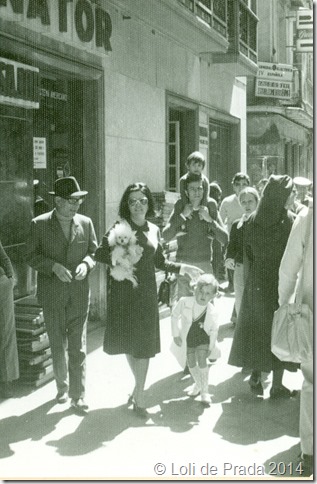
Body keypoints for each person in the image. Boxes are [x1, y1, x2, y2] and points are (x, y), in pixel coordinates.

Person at [95, 182, 202, 419]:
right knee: (130, 343)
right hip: (124, 293)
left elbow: (160, 261)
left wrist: (183, 267)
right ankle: (139, 389)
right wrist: (123, 255)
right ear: (126, 204)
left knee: (143, 345)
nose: (138, 205)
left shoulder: (154, 229)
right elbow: (99, 253)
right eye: (132, 201)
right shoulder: (120, 227)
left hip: (146, 295)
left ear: (148, 203)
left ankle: (139, 393)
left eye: (142, 200)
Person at [25, 176, 97, 415]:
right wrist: (53, 267)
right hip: (52, 295)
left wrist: (86, 265)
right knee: (58, 344)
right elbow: (30, 256)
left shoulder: (85, 223)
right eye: (70, 201)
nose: (76, 206)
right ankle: (62, 387)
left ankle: (78, 395)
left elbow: (93, 252)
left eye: (78, 201)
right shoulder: (39, 224)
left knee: (78, 347)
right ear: (57, 201)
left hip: (78, 294)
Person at [228, 175, 298, 397]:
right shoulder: (290, 221)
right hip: (281, 283)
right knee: (278, 330)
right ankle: (277, 384)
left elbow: (247, 253)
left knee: (256, 330)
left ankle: (256, 376)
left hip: (256, 282)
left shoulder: (250, 220)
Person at [278, 200, 313, 477]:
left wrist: (284, 302)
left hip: (311, 312)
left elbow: (289, 267)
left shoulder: (309, 216)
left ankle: (310, 452)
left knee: (312, 382)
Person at [163, 173, 228, 301]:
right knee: (184, 310)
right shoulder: (180, 205)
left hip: (204, 265)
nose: (197, 192)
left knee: (206, 311)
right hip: (183, 265)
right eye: (192, 189)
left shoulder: (210, 205)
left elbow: (225, 239)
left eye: (199, 188)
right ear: (186, 192)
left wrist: (209, 220)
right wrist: (182, 216)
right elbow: (165, 235)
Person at [171, 273, 220, 405]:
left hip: (203, 338)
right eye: (200, 291)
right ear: (194, 289)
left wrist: (211, 347)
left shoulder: (212, 311)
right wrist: (175, 334)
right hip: (189, 337)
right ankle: (198, 384)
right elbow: (174, 316)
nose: (203, 296)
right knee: (191, 363)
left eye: (208, 293)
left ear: (213, 296)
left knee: (202, 359)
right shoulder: (184, 302)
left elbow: (214, 330)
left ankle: (205, 391)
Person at [225, 187, 260, 321]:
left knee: (256, 302)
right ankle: (242, 333)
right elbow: (231, 245)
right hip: (240, 268)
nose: (247, 205)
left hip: (257, 268)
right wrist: (228, 258)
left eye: (250, 201)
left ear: (257, 202)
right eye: (243, 202)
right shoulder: (236, 225)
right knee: (240, 301)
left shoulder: (261, 223)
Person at [220, 172, 250, 293]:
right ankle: (231, 284)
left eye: (244, 184)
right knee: (231, 262)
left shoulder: (252, 199)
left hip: (248, 237)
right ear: (233, 186)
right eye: (238, 184)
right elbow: (220, 221)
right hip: (232, 238)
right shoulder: (227, 201)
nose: (241, 187)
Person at [0, 241, 19, 398]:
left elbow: (4, 257)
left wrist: (10, 277)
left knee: (6, 331)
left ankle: (6, 382)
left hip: (1, 285)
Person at [209, 182, 226, 282]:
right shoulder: (212, 207)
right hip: (214, 243)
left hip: (216, 243)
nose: (219, 197)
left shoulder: (215, 207)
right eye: (218, 194)